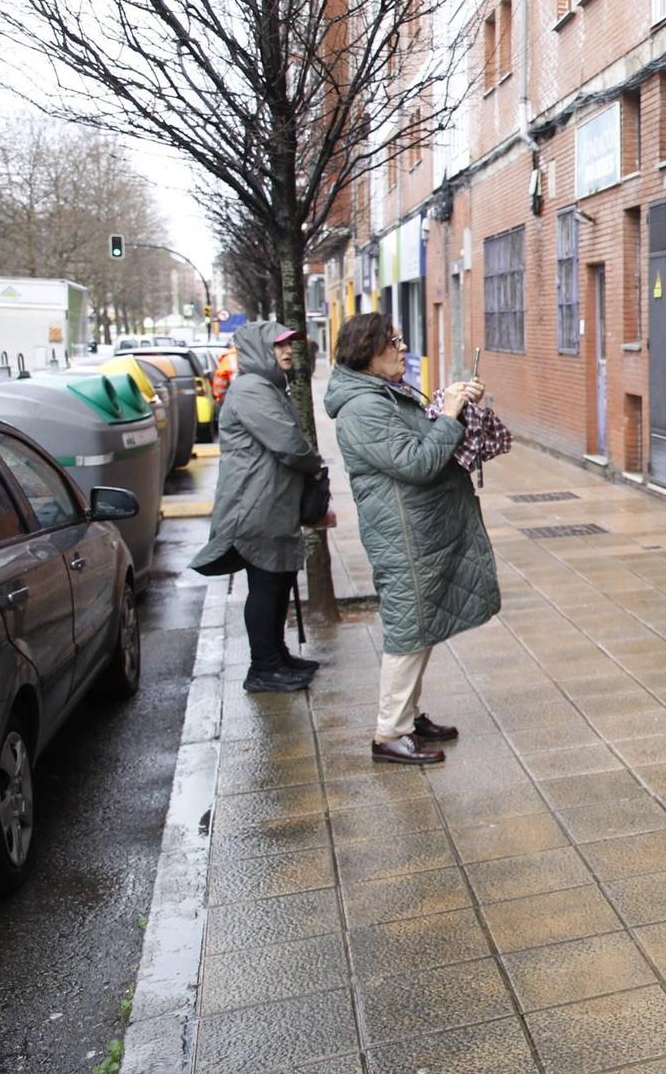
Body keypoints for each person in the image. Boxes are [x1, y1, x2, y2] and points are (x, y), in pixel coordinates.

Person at [325, 313, 500, 766]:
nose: (402, 349)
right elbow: (416, 462)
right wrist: (448, 416)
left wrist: (452, 403)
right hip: (401, 536)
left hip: (418, 531)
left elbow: (419, 435)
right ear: (366, 354)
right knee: (407, 632)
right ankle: (390, 734)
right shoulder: (363, 408)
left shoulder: (383, 392)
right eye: (393, 342)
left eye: (400, 340)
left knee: (419, 628)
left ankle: (409, 715)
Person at [190, 321, 324, 693]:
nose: (286, 352)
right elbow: (289, 443)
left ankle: (277, 656)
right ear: (256, 350)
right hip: (254, 506)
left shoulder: (268, 387)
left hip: (271, 504)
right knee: (265, 585)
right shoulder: (251, 389)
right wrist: (314, 462)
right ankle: (262, 668)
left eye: (288, 346)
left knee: (278, 582)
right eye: (277, 346)